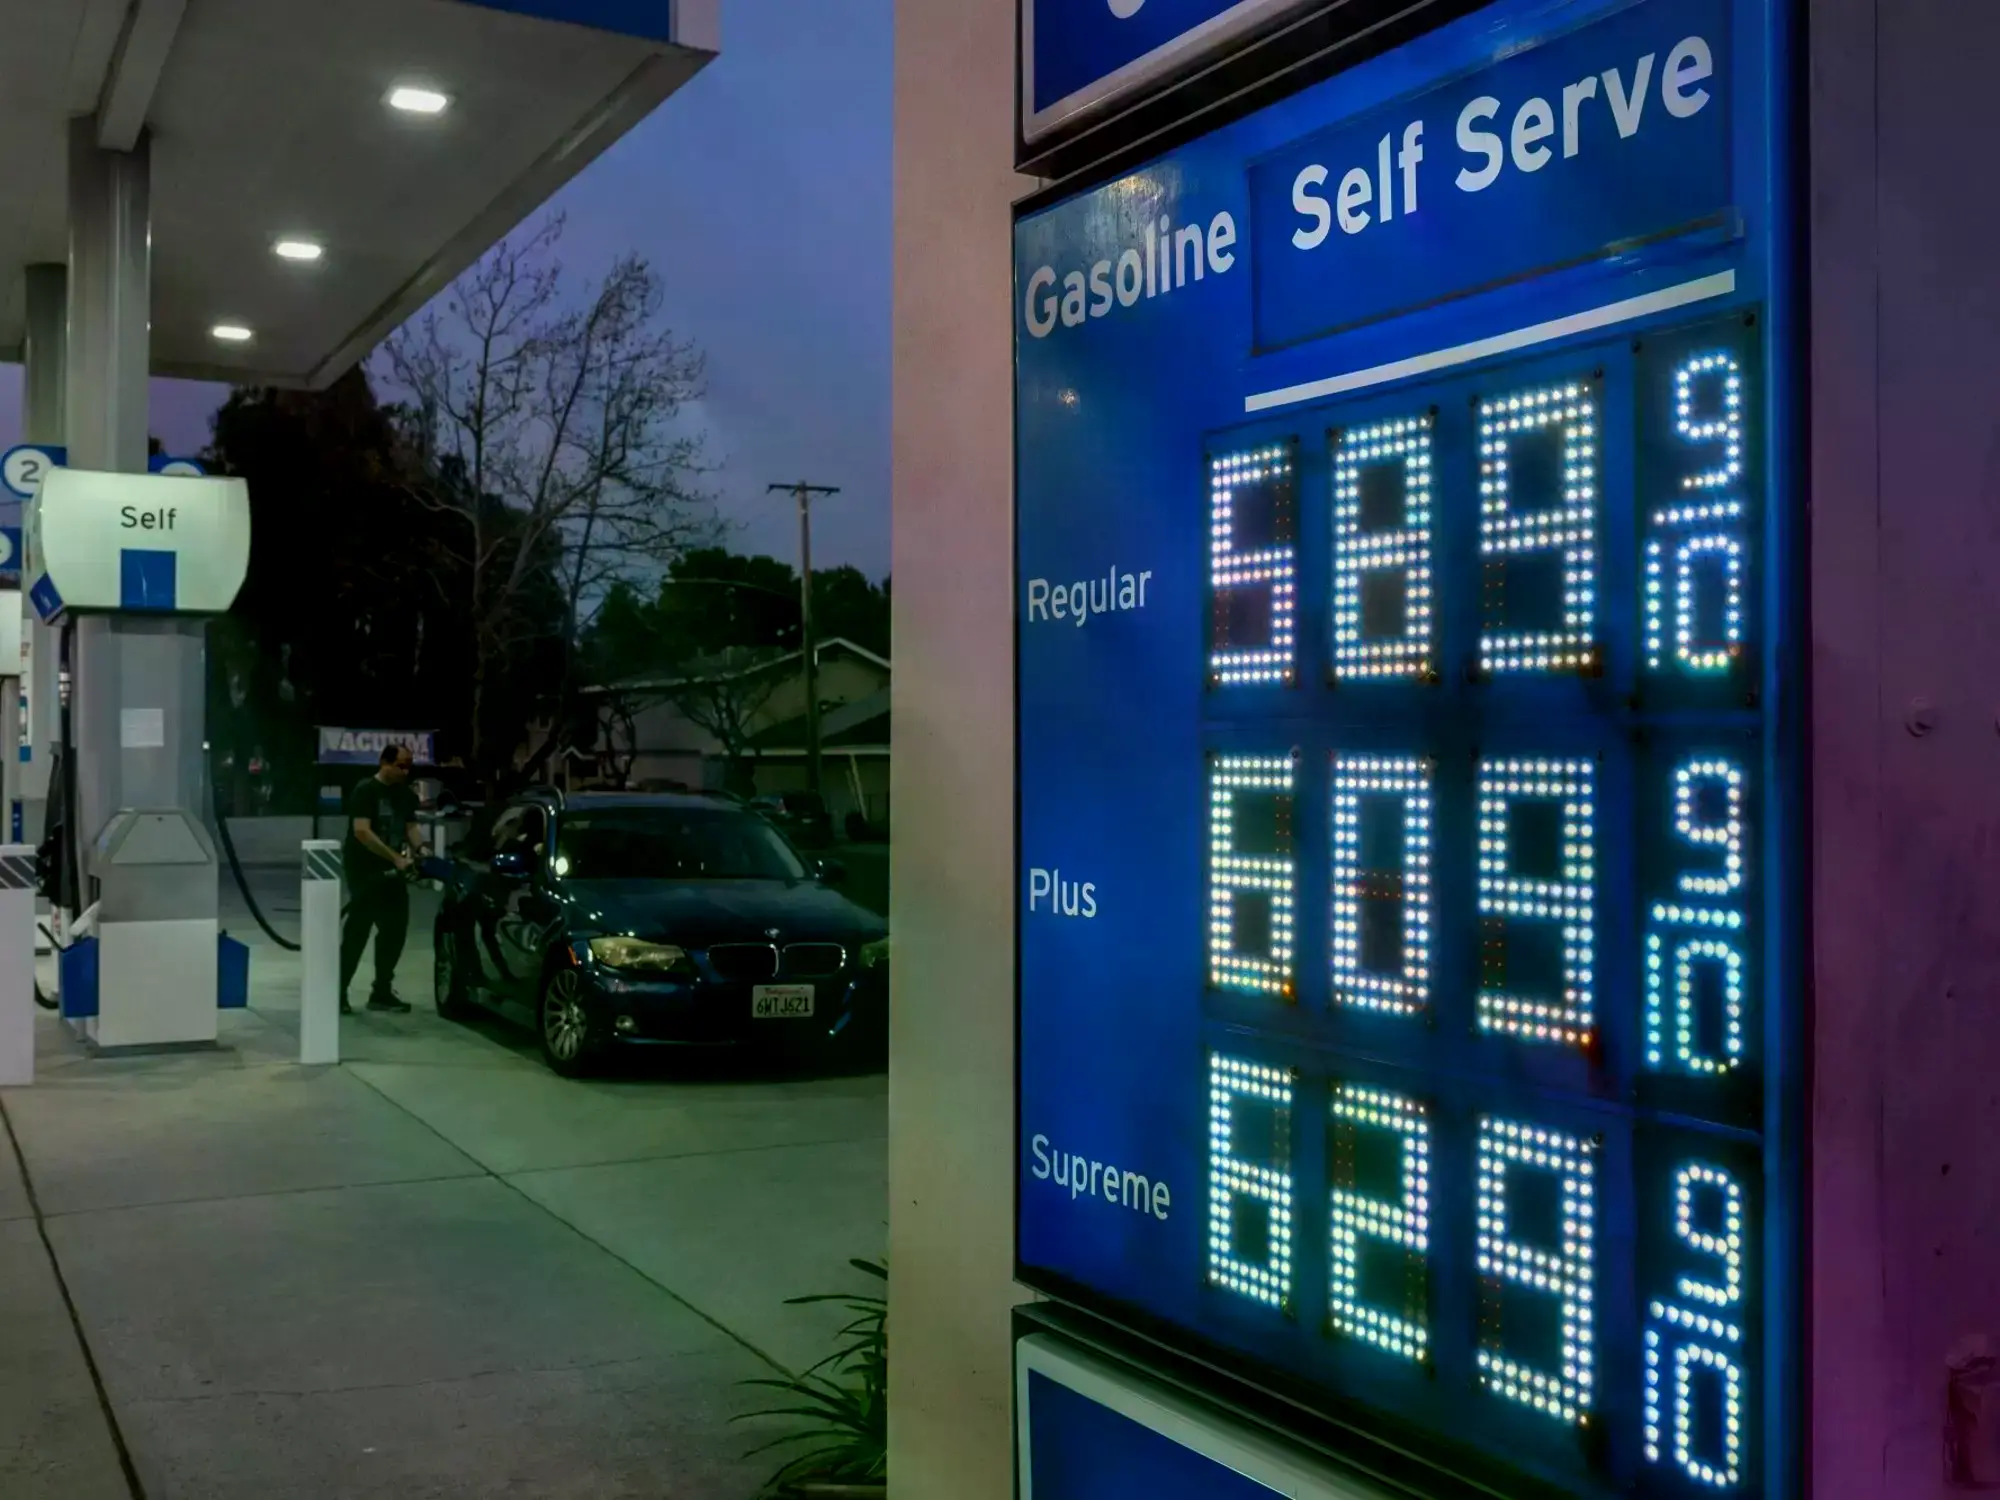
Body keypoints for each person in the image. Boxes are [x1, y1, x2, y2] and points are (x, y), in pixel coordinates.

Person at [338, 743, 426, 1013]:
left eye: (409, 766)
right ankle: (338, 991)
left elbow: (411, 826)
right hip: (364, 869)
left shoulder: (405, 794)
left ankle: (381, 991)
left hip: (393, 873)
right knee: (358, 930)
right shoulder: (366, 790)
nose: (405, 771)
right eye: (400, 766)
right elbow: (362, 831)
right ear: (384, 763)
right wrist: (395, 857)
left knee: (395, 929)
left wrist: (422, 849)